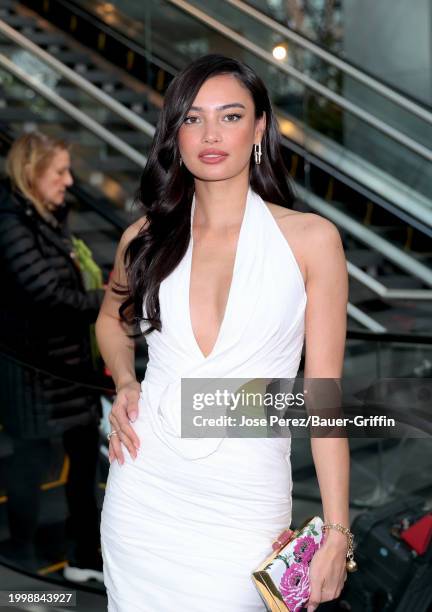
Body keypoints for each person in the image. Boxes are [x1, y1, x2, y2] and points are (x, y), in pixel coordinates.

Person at [98, 55, 350, 611]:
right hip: (143, 490)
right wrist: (124, 382)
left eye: (230, 116)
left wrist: (337, 533)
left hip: (244, 505)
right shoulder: (145, 236)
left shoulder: (311, 241)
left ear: (260, 128)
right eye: (192, 119)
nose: (211, 134)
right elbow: (109, 322)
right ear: (175, 133)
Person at [0, 131, 104, 582]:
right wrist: (106, 298)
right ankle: (20, 566)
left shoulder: (46, 218)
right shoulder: (10, 222)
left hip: (69, 369)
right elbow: (46, 295)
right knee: (31, 462)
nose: (68, 179)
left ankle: (84, 557)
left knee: (83, 463)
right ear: (31, 172)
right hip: (33, 375)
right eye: (58, 170)